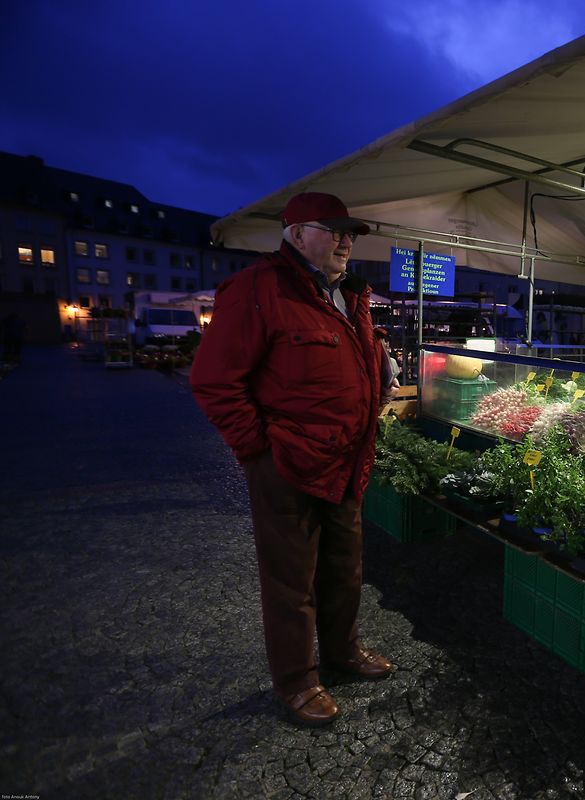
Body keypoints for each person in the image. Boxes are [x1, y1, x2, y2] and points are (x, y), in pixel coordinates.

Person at [190, 192, 393, 727]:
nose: (346, 241)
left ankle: (343, 652)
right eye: (334, 230)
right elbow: (214, 382)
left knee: (345, 568)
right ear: (297, 233)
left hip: (347, 461)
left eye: (351, 233)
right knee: (290, 581)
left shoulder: (350, 294)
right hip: (288, 464)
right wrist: (259, 451)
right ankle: (298, 679)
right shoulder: (258, 289)